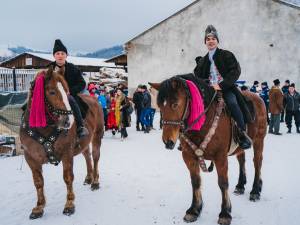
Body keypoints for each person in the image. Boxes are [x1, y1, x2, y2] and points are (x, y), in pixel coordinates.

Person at [194, 25, 252, 149]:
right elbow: (197, 77)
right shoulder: (202, 61)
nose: (210, 41)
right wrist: (206, 83)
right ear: (205, 42)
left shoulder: (226, 55)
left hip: (225, 88)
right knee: (194, 105)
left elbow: (235, 71)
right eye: (208, 39)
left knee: (232, 103)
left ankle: (242, 133)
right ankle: (191, 134)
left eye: (213, 39)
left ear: (217, 41)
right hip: (208, 91)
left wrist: (221, 85)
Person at [49, 39, 88, 138]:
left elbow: (82, 83)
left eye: (62, 53)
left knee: (72, 101)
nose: (60, 55)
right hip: (52, 95)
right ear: (54, 55)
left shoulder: (73, 68)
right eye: (58, 53)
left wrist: (69, 91)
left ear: (66, 55)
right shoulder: (49, 69)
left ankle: (80, 127)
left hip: (68, 95)